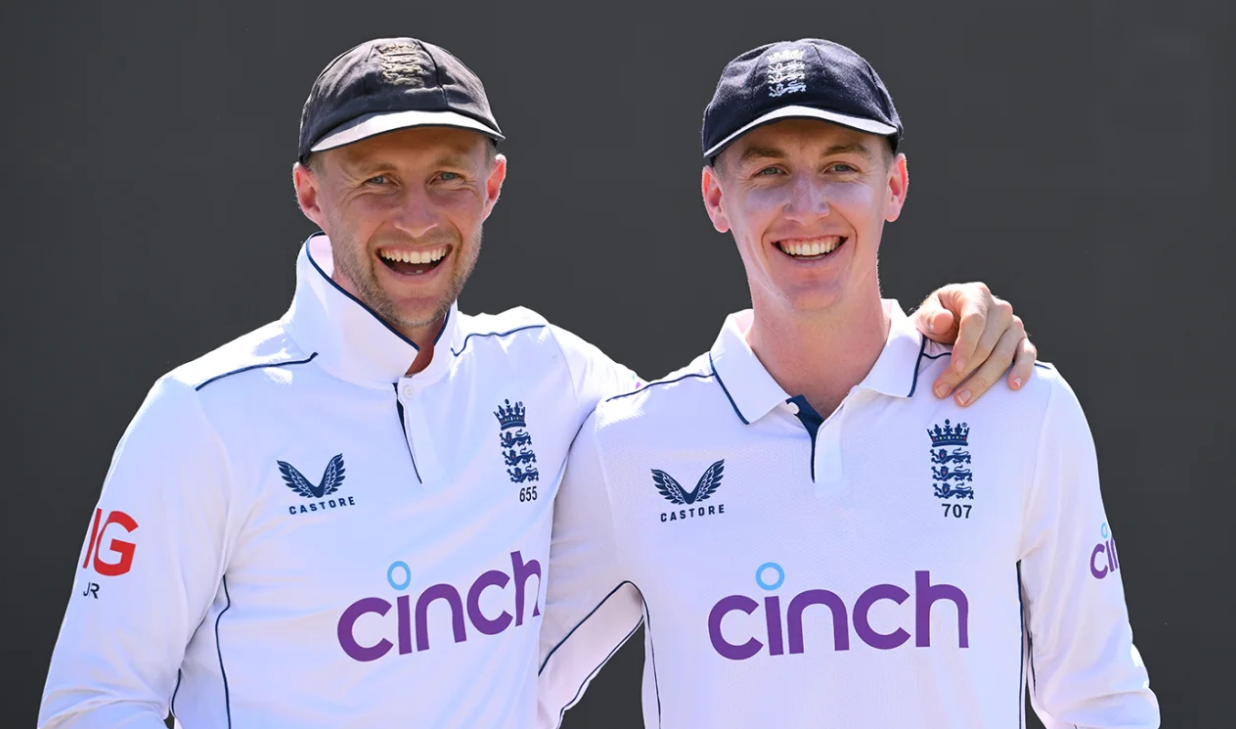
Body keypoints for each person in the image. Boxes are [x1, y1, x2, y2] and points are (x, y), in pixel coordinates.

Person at [38, 37, 1034, 728]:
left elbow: (747, 423)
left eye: (448, 176)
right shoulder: (203, 419)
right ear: (310, 193)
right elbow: (94, 704)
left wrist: (937, 331)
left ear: (494, 187)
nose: (418, 216)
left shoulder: (545, 374)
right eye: (376, 179)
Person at [538, 39, 1159, 728]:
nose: (808, 206)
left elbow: (1102, 699)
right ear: (717, 198)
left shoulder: (1020, 406)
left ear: (893, 186)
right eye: (770, 171)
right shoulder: (628, 446)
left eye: (840, 167)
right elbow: (501, 693)